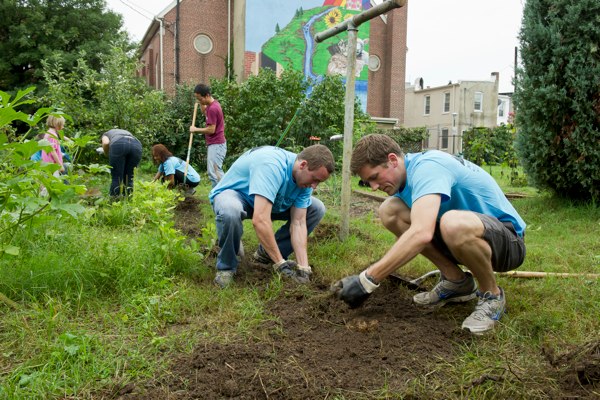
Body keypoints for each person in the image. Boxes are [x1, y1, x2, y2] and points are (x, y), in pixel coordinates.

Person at [332, 134, 526, 334]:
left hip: (508, 242)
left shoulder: (428, 167)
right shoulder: (403, 179)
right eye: (367, 182)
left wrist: (367, 280)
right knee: (390, 210)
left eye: (374, 177)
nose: (374, 187)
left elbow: (421, 233)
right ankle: (456, 282)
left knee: (453, 223)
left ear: (392, 160)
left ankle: (491, 295)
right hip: (460, 236)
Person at [209, 144, 335, 288]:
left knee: (316, 208)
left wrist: (303, 268)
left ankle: (267, 255)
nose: (314, 186)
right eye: (314, 179)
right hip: (237, 195)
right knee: (230, 211)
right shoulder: (271, 165)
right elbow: (260, 219)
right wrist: (281, 265)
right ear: (303, 165)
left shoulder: (304, 181)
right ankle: (227, 266)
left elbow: (298, 223)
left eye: (318, 182)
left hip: (271, 202)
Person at [190, 83, 226, 188]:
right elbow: (204, 112)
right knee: (213, 172)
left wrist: (195, 130)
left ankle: (223, 194)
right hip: (215, 144)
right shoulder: (210, 106)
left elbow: (211, 130)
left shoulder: (213, 108)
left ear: (206, 95)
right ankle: (219, 194)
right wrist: (201, 103)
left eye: (200, 98)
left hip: (217, 144)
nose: (198, 101)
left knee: (215, 172)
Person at [100, 129, 142, 197]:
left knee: (117, 178)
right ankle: (128, 200)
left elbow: (106, 143)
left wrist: (107, 153)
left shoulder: (105, 134)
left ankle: (114, 201)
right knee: (129, 177)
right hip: (136, 144)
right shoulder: (124, 132)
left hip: (118, 144)